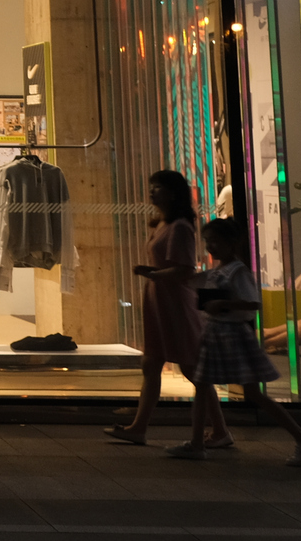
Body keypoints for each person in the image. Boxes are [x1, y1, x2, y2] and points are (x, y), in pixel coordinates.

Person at [166, 216, 301, 466]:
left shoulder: (237, 271)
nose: (210, 246)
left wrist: (222, 303)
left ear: (232, 243)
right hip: (218, 335)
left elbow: (253, 303)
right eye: (208, 241)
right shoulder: (221, 271)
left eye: (215, 241)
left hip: (230, 335)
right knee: (210, 387)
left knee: (241, 391)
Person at [102, 170, 227, 448]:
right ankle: (139, 427)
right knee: (153, 363)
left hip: (173, 300)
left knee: (191, 368)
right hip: (160, 298)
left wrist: (154, 274)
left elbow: (185, 269)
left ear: (172, 192)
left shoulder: (180, 226)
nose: (152, 192)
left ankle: (219, 430)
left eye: (157, 187)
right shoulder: (162, 223)